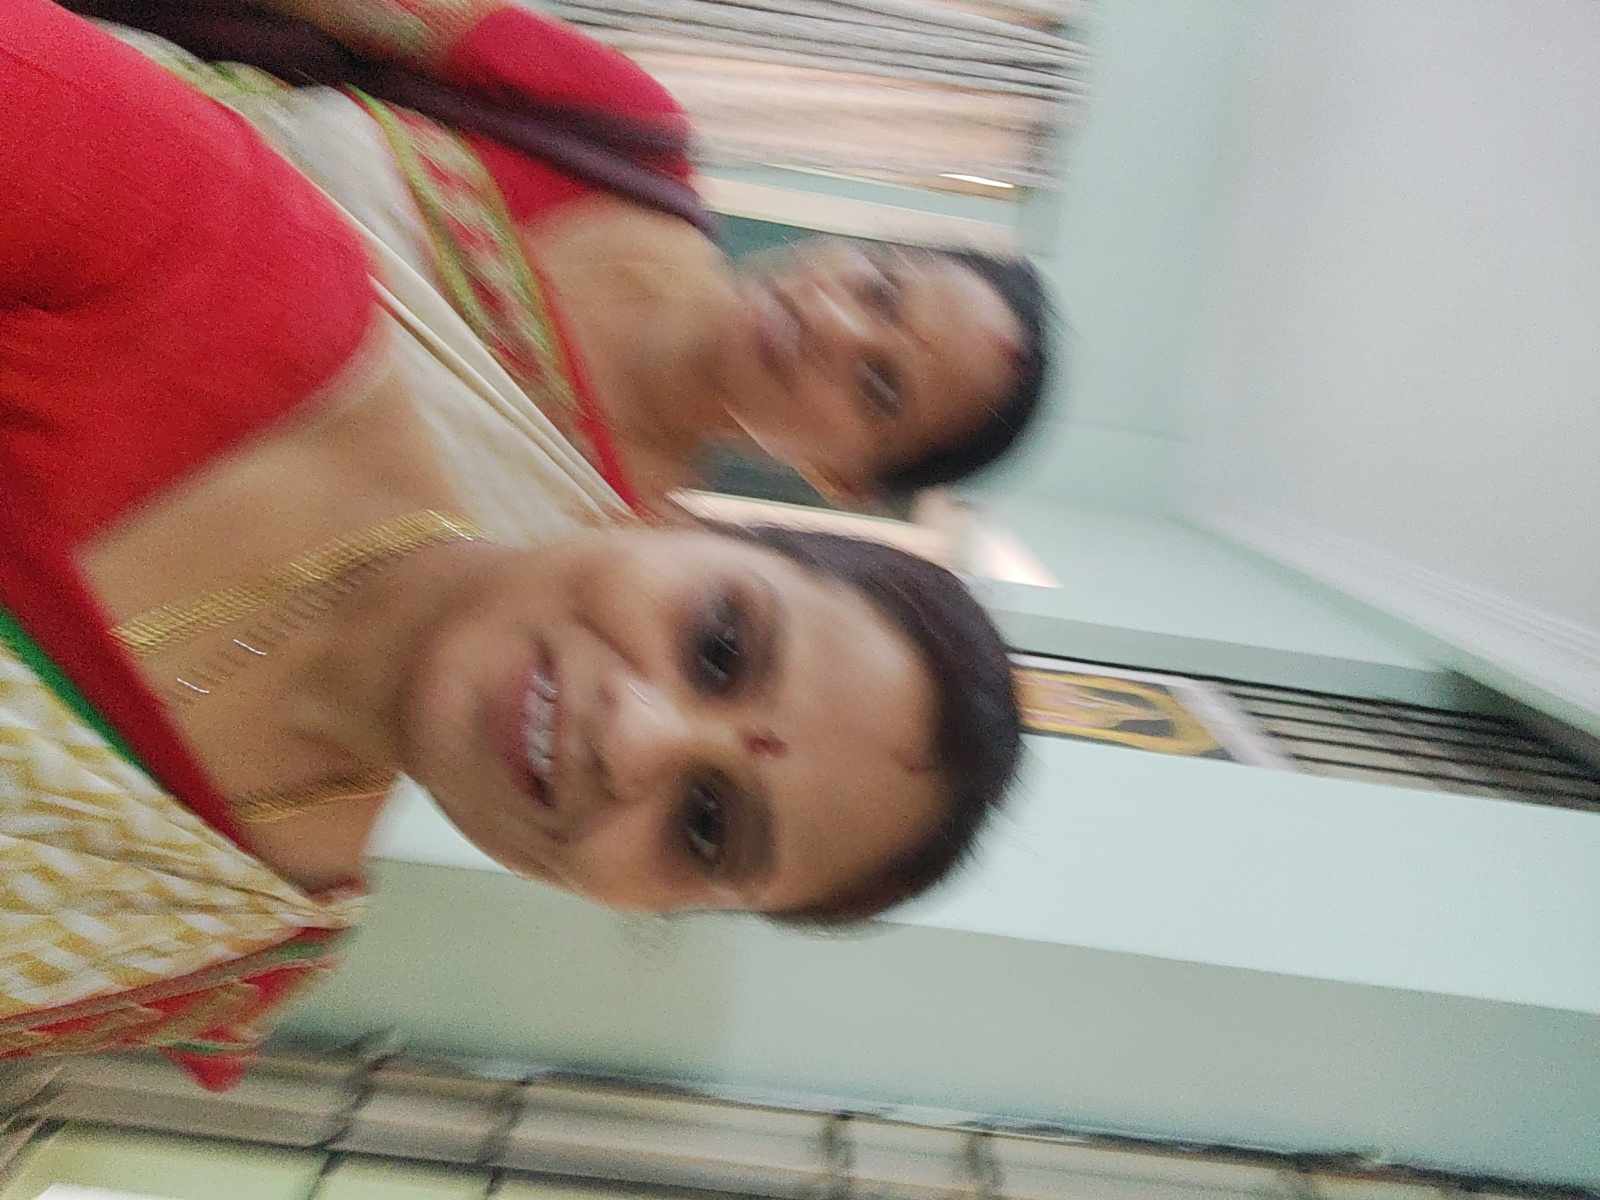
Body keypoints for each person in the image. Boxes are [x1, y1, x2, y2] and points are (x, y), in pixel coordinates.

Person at [0, 1, 1022, 1090]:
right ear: (680, 537)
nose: (635, 739)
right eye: (720, 646)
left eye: (705, 824)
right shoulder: (210, 251)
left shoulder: (224, 947)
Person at [65, 0, 1053, 514]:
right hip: (57, 101)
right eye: (880, 288)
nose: (833, 323)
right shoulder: (623, 134)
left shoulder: (591, 559)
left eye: (878, 386)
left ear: (843, 479)